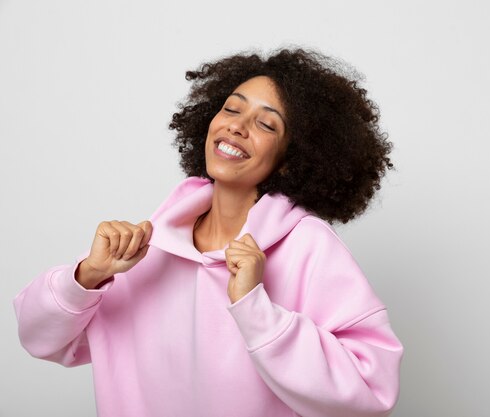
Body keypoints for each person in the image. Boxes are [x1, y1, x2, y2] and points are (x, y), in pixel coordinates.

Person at [14, 48, 403, 417]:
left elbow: (371, 389)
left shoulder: (308, 247)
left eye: (266, 124)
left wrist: (255, 309)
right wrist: (87, 277)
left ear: (290, 160)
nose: (236, 125)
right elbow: (40, 340)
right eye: (231, 109)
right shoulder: (147, 248)